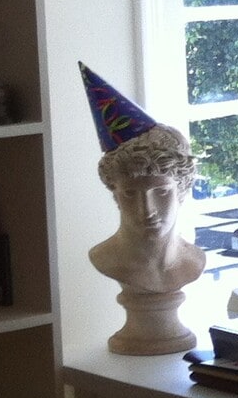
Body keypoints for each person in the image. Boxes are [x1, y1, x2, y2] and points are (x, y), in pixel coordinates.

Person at [88, 123, 206, 296]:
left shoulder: (195, 261)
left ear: (182, 189)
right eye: (129, 193)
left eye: (162, 192)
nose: (147, 210)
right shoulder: (104, 258)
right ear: (115, 194)